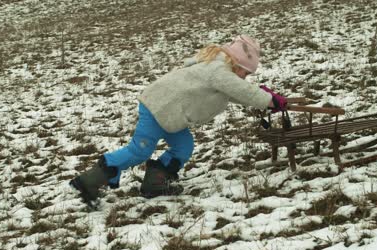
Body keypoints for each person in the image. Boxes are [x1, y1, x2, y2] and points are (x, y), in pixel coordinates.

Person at [70, 35, 288, 207]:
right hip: (158, 107)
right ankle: (88, 182)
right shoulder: (219, 71)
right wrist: (268, 100)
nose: (244, 78)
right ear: (238, 64)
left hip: (171, 112)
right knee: (140, 150)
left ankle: (154, 183)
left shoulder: (218, 69)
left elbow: (237, 92)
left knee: (183, 146)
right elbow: (239, 89)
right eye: (245, 73)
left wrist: (263, 97)